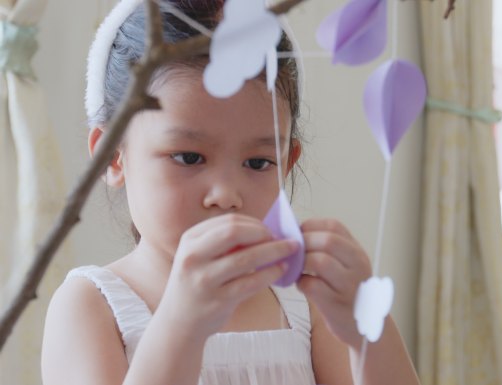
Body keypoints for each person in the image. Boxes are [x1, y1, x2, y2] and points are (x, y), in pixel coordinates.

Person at [41, 1, 421, 384]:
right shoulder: (90, 305)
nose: (226, 194)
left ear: (287, 162)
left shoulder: (305, 304)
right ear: (112, 157)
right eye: (189, 157)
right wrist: (181, 325)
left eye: (258, 163)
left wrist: (367, 324)